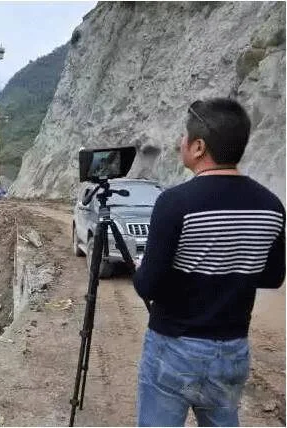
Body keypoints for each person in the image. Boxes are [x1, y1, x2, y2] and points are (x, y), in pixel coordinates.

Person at [133, 98, 285, 427]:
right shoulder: (272, 206)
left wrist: (145, 266)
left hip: (174, 348)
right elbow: (273, 276)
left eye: (184, 136)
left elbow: (147, 285)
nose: (181, 142)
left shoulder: (174, 203)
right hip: (232, 351)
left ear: (199, 146)